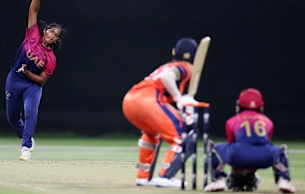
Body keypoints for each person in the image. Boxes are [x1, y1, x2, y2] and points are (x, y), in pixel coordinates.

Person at [122, 38, 201, 188]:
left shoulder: (166, 65)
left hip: (130, 100)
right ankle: (166, 176)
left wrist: (180, 108)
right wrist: (179, 99)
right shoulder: (185, 67)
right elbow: (167, 78)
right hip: (147, 101)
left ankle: (143, 177)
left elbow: (162, 96)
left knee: (151, 134)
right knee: (180, 136)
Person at [5, 0, 66, 161]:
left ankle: (25, 146)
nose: (52, 35)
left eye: (56, 35)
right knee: (12, 118)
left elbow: (41, 80)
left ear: (56, 40)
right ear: (45, 30)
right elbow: (33, 10)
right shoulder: (32, 34)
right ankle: (26, 137)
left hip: (32, 85)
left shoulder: (51, 58)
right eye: (51, 31)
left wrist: (27, 73)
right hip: (15, 80)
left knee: (31, 111)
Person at [204, 88, 296, 193]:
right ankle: (283, 180)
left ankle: (219, 179)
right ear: (261, 106)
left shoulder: (231, 121)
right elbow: (265, 144)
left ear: (239, 105)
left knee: (216, 148)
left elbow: (232, 145)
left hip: (238, 155)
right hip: (264, 157)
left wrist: (239, 171)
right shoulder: (268, 122)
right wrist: (251, 171)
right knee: (280, 151)